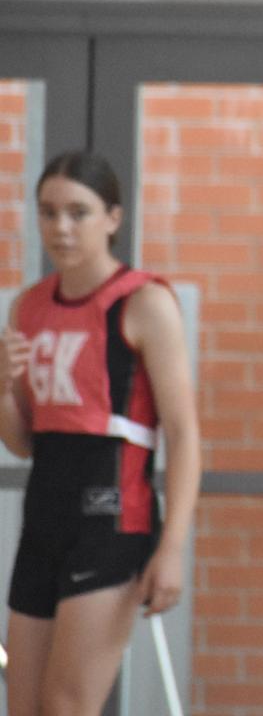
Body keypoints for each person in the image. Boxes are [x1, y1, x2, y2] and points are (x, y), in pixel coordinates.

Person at [0, 151, 201, 716]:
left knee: (66, 705)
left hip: (114, 519)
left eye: (78, 212)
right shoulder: (27, 308)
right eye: (48, 212)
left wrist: (173, 548)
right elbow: (25, 441)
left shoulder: (144, 303)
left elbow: (184, 433)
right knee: (23, 704)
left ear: (113, 217)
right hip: (44, 519)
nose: (61, 227)